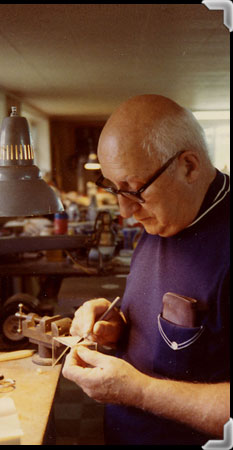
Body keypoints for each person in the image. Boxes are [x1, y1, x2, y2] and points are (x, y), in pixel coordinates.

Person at [62, 95, 230, 445]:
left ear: (188, 166)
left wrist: (138, 392)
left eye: (134, 189)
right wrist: (115, 324)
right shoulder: (162, 216)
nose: (124, 211)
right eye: (112, 187)